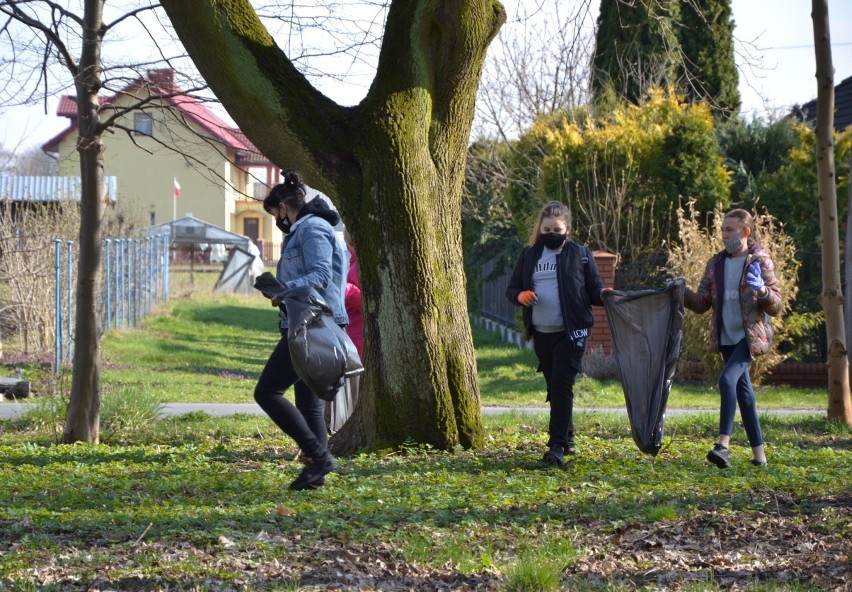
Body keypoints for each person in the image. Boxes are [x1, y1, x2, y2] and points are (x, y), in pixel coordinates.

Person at [255, 170, 349, 490]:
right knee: (308, 403)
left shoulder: (312, 229)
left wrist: (281, 288)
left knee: (267, 392)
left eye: (274, 214)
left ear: (283, 206)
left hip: (312, 323)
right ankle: (315, 472)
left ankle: (319, 457)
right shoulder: (303, 230)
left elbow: (321, 275)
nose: (276, 221)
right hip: (303, 321)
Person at [506, 200, 608, 469]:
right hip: (542, 332)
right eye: (547, 228)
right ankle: (569, 437)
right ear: (540, 228)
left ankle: (557, 446)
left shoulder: (580, 254)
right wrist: (520, 295)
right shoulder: (530, 255)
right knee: (555, 387)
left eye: (558, 228)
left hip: (571, 331)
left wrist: (607, 296)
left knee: (562, 384)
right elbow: (512, 288)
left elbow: (594, 290)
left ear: (568, 229)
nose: (552, 232)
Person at [683, 209, 782, 468]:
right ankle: (760, 457)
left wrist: (761, 290)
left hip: (749, 338)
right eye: (722, 230)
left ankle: (723, 445)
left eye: (730, 230)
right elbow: (702, 302)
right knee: (744, 394)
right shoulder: (716, 264)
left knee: (726, 379)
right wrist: (681, 293)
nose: (724, 235)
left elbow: (776, 305)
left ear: (745, 232)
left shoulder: (759, 261)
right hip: (726, 336)